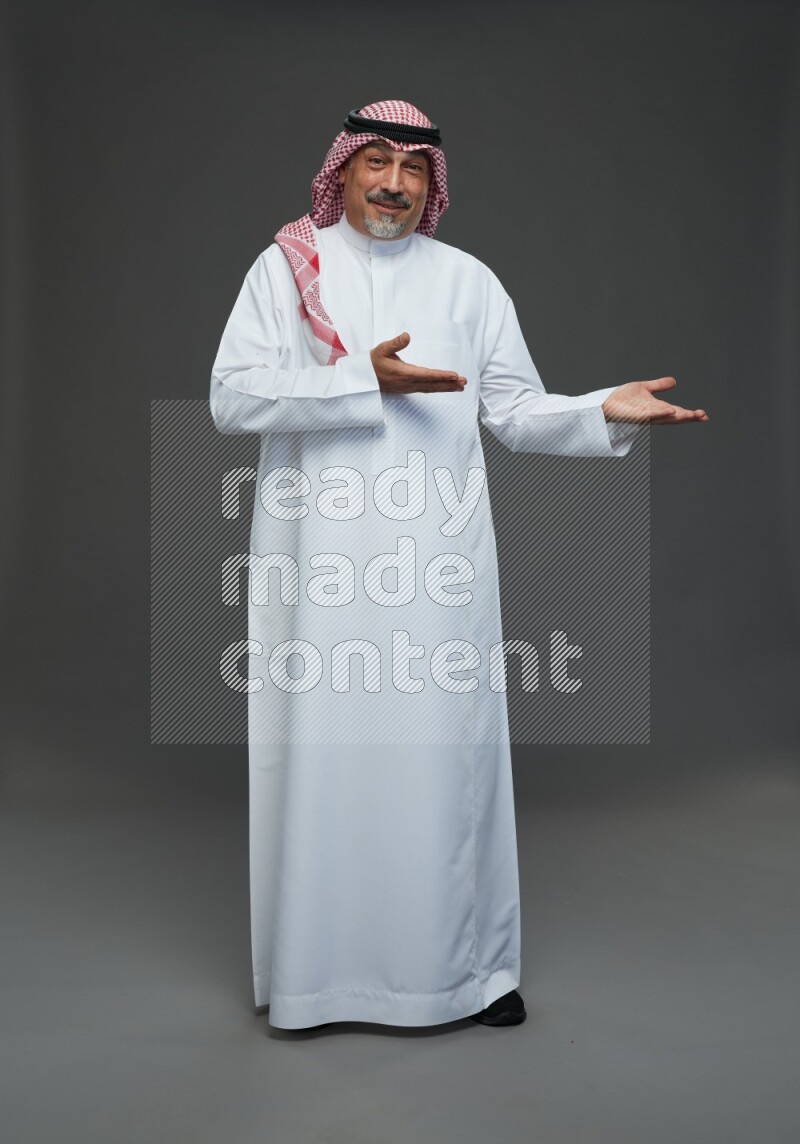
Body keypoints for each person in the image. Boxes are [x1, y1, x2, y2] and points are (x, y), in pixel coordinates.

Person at [209, 99, 708, 1031]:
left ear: (433, 185)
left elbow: (514, 412)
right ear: (345, 168)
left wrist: (604, 409)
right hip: (320, 570)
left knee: (447, 761)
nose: (394, 184)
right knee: (323, 757)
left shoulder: (470, 282)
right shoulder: (287, 270)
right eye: (378, 164)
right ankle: (319, 982)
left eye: (414, 170)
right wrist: (364, 375)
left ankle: (467, 974)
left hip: (435, 569)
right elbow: (231, 400)